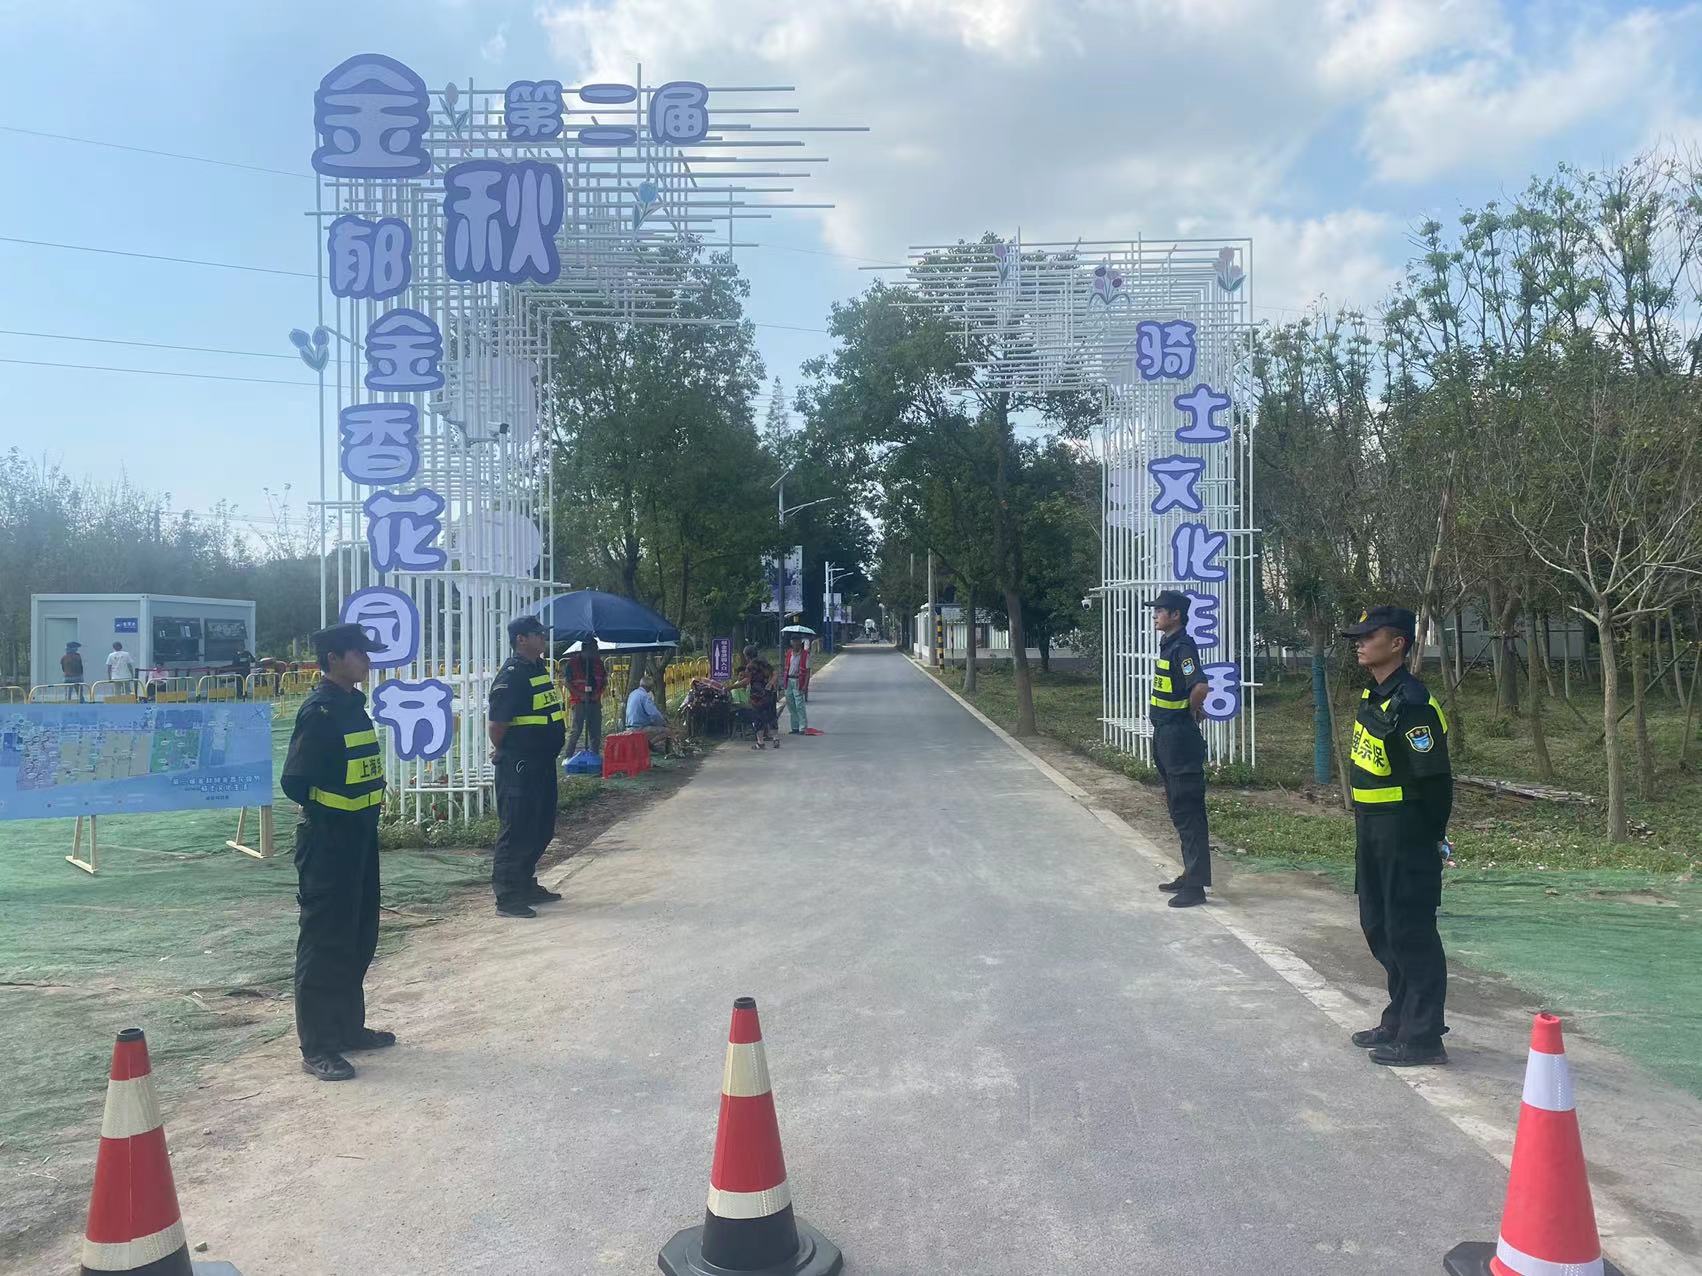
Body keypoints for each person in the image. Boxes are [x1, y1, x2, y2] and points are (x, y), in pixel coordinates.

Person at [1341, 605, 1454, 1067]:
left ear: (1398, 644)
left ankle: (1423, 1037)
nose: (1360, 643)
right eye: (1359, 636)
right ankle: (1399, 1019)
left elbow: (1436, 782)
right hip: (1372, 829)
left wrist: (1430, 837)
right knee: (1380, 925)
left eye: (1370, 636)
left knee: (1411, 931)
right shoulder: (1375, 696)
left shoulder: (1413, 704)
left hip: (1406, 831)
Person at [279, 622, 392, 1082]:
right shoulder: (320, 712)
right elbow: (295, 782)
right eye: (359, 653)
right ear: (334, 660)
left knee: (358, 934)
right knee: (324, 942)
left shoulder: (351, 706)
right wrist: (331, 813)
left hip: (360, 838)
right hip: (329, 843)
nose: (367, 661)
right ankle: (318, 1046)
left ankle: (347, 1028)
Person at [487, 615, 566, 919]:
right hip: (519, 764)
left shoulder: (537, 669)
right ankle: (507, 897)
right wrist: (505, 749)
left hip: (542, 762)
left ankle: (525, 884)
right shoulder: (512, 675)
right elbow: (497, 725)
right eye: (537, 634)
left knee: (540, 826)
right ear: (521, 639)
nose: (543, 638)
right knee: (517, 827)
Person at [1145, 590, 1211, 908]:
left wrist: (1190, 711)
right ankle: (1189, 873)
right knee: (1177, 808)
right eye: (1156, 610)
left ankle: (1196, 886)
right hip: (1166, 736)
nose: (1155, 615)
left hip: (1179, 738)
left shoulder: (1183, 647)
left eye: (1161, 610)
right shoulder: (1169, 644)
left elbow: (1200, 686)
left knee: (1188, 810)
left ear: (1176, 615)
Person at [565, 637, 608, 756]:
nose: (596, 652)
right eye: (594, 649)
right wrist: (580, 695)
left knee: (595, 731)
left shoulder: (599, 663)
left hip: (595, 700)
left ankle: (594, 755)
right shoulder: (572, 663)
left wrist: (598, 694)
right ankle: (568, 755)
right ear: (586, 650)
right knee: (576, 730)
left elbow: (604, 682)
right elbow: (567, 683)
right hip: (579, 701)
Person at [735, 644, 780, 749]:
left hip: (757, 696)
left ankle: (760, 742)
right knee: (772, 716)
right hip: (770, 693)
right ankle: (776, 739)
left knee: (758, 718)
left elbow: (746, 681)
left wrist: (731, 687)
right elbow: (775, 673)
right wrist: (771, 683)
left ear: (747, 656)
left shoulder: (750, 666)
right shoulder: (764, 662)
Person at [624, 673, 680, 754]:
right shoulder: (645, 696)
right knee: (667, 731)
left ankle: (650, 746)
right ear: (650, 687)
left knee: (659, 728)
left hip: (629, 727)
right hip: (639, 728)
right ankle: (648, 746)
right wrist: (663, 723)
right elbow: (654, 714)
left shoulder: (633, 693)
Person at [780, 636, 810, 735]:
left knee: (799, 705)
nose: (796, 644)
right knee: (791, 704)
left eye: (797, 642)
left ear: (800, 642)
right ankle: (795, 727)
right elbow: (786, 667)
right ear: (791, 643)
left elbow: (808, 671)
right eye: (794, 642)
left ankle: (802, 727)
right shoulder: (789, 653)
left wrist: (805, 685)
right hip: (788, 680)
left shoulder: (805, 655)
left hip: (798, 680)